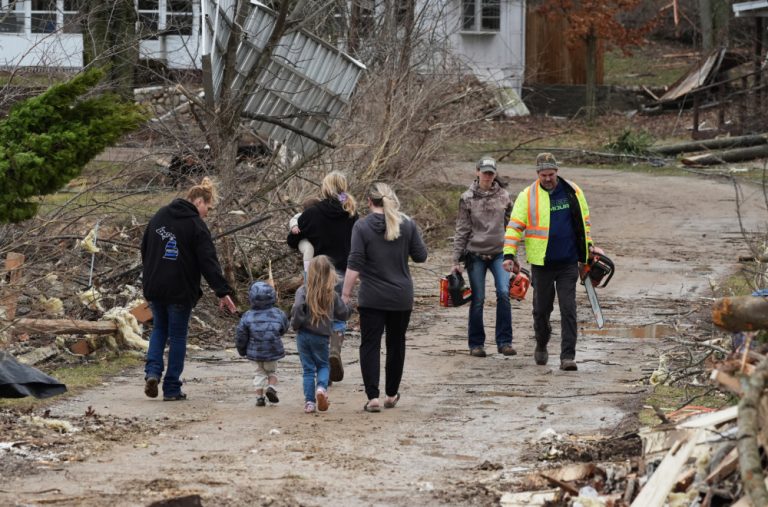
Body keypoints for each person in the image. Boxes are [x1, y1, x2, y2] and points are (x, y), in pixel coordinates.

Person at [502, 153, 604, 371]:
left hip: (568, 262)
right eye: (543, 175)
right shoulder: (528, 195)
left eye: (551, 174)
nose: (548, 178)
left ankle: (568, 357)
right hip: (542, 264)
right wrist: (509, 254)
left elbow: (584, 221)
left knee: (568, 308)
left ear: (557, 171)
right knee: (541, 310)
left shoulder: (572, 191)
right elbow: (514, 226)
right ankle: (541, 342)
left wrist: (588, 247)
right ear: (537, 174)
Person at [141, 176, 237, 400]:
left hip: (155, 286)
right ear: (199, 201)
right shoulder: (196, 225)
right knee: (177, 337)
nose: (207, 214)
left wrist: (151, 276)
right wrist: (222, 291)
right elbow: (208, 262)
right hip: (180, 290)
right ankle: (171, 388)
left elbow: (145, 248)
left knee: (159, 329)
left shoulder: (159, 216)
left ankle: (152, 372)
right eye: (208, 208)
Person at [342, 183, 428, 412]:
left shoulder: (361, 226)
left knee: (370, 344)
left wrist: (346, 293)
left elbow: (355, 262)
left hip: (372, 298)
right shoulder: (407, 224)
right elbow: (421, 256)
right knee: (396, 344)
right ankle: (391, 395)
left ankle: (373, 398)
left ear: (369, 201)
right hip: (401, 296)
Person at [287, 171, 358, 383]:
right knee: (338, 314)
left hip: (317, 271)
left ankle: (321, 365)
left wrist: (305, 240)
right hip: (343, 271)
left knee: (316, 315)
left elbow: (292, 240)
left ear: (325, 188)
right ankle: (334, 349)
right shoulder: (351, 212)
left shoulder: (313, 213)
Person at [452, 155, 515, 358]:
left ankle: (504, 342)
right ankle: (476, 344)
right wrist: (456, 260)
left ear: (495, 174)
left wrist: (513, 255)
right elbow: (462, 229)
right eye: (484, 172)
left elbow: (512, 227)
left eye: (491, 173)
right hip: (475, 254)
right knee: (478, 299)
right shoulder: (467, 198)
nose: (487, 176)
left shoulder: (504, 196)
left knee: (504, 293)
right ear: (477, 172)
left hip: (500, 253)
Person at [291, 255, 352, 414]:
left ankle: (309, 403)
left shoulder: (302, 291)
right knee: (323, 365)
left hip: (303, 335)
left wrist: (295, 324)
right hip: (322, 337)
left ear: (309, 273)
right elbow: (343, 314)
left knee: (308, 370)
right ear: (329, 273)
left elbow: (297, 308)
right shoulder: (331, 294)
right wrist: (350, 306)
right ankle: (321, 389)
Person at [235, 281, 289, 407]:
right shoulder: (278, 313)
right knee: (272, 372)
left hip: (255, 352)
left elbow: (241, 335)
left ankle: (260, 398)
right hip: (272, 350)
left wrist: (241, 350)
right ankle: (271, 387)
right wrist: (277, 335)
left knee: (259, 373)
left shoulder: (247, 316)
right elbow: (284, 327)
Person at [288, 196, 321, 274]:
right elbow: (293, 219)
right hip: (303, 240)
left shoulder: (321, 217)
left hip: (314, 241)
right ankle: (307, 271)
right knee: (309, 249)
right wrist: (294, 226)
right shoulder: (301, 215)